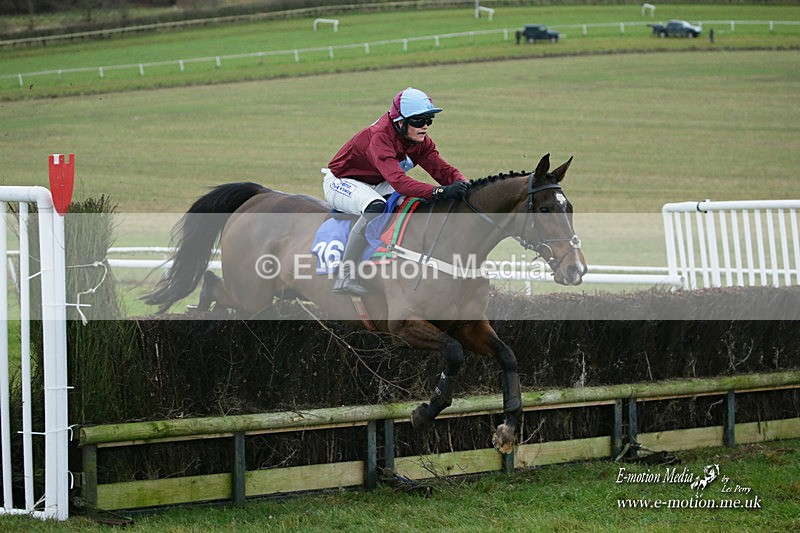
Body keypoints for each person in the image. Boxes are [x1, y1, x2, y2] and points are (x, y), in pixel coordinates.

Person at [322, 87, 469, 296]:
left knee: (411, 203)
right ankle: (345, 275)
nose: (425, 126)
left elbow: (442, 170)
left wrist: (466, 185)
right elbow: (400, 183)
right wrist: (440, 192)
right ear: (400, 122)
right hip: (342, 180)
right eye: (419, 121)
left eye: (429, 120)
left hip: (377, 181)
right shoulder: (379, 137)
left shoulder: (419, 140)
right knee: (376, 206)